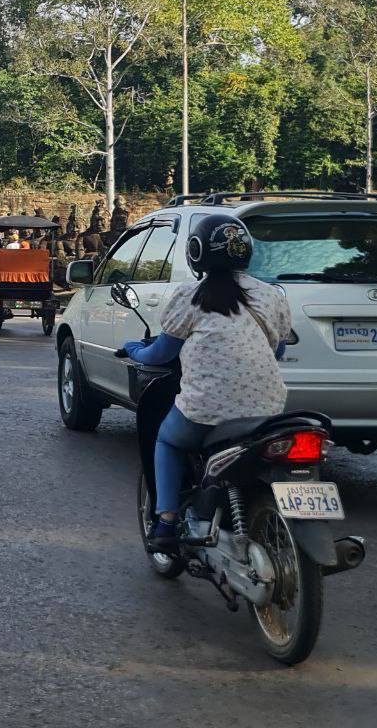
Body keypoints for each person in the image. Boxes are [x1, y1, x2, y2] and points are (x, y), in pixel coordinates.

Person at [121, 214, 290, 549]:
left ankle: (167, 522)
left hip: (205, 407)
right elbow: (278, 349)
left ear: (196, 252)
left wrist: (134, 350)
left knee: (168, 440)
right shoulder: (271, 296)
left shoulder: (191, 296)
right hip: (268, 407)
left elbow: (160, 354)